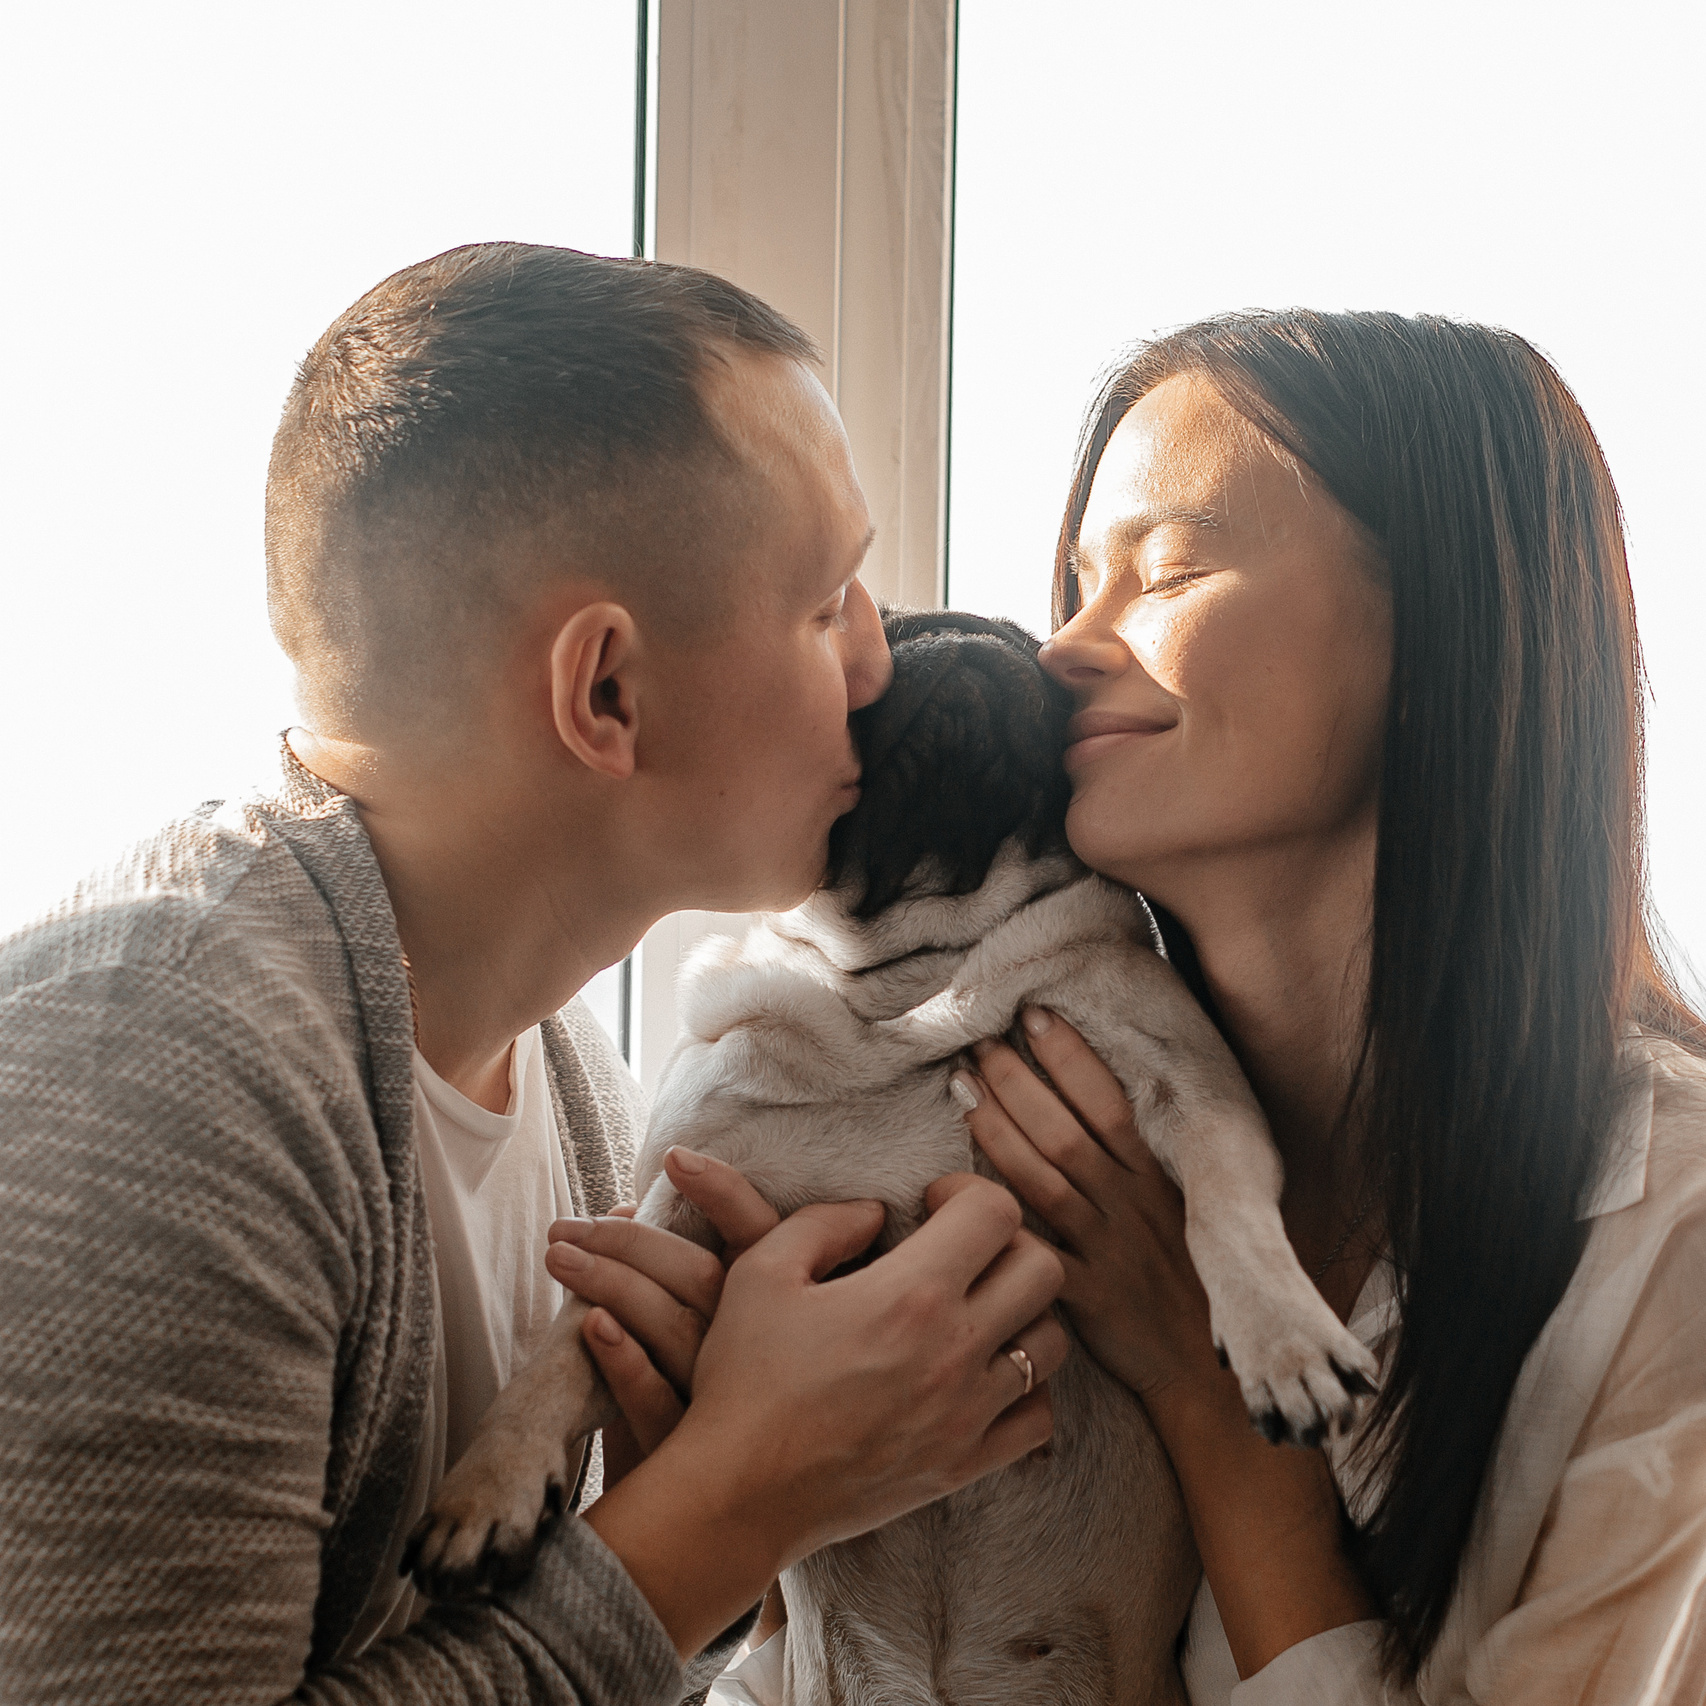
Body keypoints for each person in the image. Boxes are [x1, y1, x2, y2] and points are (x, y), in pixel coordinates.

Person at [0, 243, 1067, 1704]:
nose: (881, 664)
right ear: (606, 691)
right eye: (827, 604)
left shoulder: (576, 1087)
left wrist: (690, 1531)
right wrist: (729, 1507)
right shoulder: (158, 1072)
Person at [949, 311, 1706, 1702]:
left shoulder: (1673, 1233)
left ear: (1446, 627)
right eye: (1071, 583)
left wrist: (1207, 1392)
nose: (1060, 648)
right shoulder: (1047, 1138)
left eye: (1165, 569)